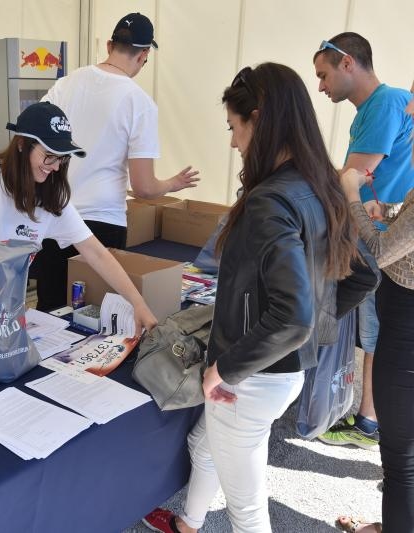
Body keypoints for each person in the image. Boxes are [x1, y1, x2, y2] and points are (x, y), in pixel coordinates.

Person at [143, 63, 358, 533]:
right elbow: (361, 277)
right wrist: (314, 329)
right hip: (278, 373)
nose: (233, 142)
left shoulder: (272, 200)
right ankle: (188, 523)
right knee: (206, 445)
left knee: (247, 511)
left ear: (257, 120)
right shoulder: (318, 186)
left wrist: (225, 368)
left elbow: (293, 316)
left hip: (253, 378)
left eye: (234, 128)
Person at [0, 102, 158, 353]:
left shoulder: (52, 199)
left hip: (2, 300)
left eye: (62, 158)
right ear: (21, 144)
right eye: (48, 155)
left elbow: (96, 252)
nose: (55, 166)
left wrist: (137, 302)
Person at [33, 12, 199, 312]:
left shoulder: (66, 84)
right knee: (94, 317)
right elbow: (145, 187)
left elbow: (33, 139)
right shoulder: (139, 103)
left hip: (53, 216)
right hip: (102, 222)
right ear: (144, 55)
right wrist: (174, 183)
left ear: (110, 45)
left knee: (49, 313)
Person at [313, 32, 414, 450]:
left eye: (323, 75)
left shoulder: (387, 101)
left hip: (385, 242)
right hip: (379, 230)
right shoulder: (371, 110)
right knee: (378, 335)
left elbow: (350, 177)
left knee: (380, 337)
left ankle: (371, 424)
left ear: (347, 62)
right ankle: (372, 421)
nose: (321, 86)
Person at [333, 87, 414, 533]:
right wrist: (390, 211)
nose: (408, 108)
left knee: (401, 464)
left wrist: (349, 193)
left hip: (406, 338)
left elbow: (381, 250)